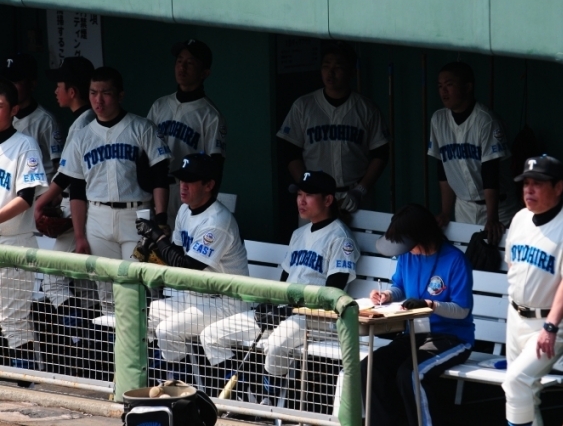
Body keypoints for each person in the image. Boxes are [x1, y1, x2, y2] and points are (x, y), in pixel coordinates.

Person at [200, 170, 360, 399]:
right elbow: (284, 281)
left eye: (308, 195)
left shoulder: (340, 237)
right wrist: (272, 304)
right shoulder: (299, 234)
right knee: (212, 334)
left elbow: (332, 292)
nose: (301, 200)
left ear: (328, 200)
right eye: (299, 194)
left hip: (317, 317)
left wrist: (290, 309)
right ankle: (248, 394)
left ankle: (271, 401)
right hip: (286, 312)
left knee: (275, 344)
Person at [33, 67, 171, 316]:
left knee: (141, 289)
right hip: (97, 218)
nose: (98, 100)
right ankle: (112, 342)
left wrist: (160, 219)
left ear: (120, 95)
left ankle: (148, 340)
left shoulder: (142, 128)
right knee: (107, 295)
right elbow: (76, 188)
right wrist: (79, 235)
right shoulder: (82, 136)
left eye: (105, 93)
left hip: (136, 216)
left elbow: (160, 175)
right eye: (93, 93)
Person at [137, 153, 250, 377]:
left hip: (227, 302)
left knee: (168, 330)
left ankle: (183, 385)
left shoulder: (217, 221)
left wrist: (158, 236)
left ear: (209, 185)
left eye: (190, 181)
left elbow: (188, 267)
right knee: (144, 315)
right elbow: (176, 254)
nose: (183, 186)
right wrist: (154, 246)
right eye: (181, 179)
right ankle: (163, 376)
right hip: (197, 297)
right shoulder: (184, 210)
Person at [362, 203, 474, 426]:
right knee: (370, 368)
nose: (406, 250)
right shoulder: (407, 256)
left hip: (452, 339)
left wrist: (431, 305)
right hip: (413, 334)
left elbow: (462, 310)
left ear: (421, 237)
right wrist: (386, 295)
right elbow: (399, 287)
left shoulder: (455, 260)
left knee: (411, 375)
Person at [502, 155, 563, 426]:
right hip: (516, 317)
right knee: (524, 392)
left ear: (558, 187)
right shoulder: (520, 218)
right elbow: (512, 265)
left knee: (516, 381)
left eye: (538, 184)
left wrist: (551, 326)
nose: (529, 190)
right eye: (526, 183)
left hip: (549, 323)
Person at [276, 42, 389, 212]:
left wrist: (361, 190)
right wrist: (306, 185)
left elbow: (381, 153)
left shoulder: (367, 109)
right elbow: (290, 152)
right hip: (315, 195)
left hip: (354, 195)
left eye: (338, 67)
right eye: (326, 66)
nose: (331, 72)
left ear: (352, 72)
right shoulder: (303, 106)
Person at [428, 62, 518, 244]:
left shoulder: (486, 120)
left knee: (501, 257)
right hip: (464, 207)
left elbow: (490, 171)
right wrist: (445, 212)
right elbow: (443, 168)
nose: (443, 91)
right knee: (468, 257)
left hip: (499, 208)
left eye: (449, 84)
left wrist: (492, 218)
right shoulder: (438, 119)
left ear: (468, 87)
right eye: (440, 86)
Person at [147, 39, 227, 226]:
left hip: (188, 191)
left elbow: (216, 166)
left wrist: (205, 206)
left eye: (190, 63)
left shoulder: (211, 115)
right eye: (179, 61)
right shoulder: (159, 106)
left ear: (204, 73)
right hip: (156, 189)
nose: (182, 67)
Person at [0, 77, 49, 378]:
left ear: (14, 109)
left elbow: (26, 198)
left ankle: (26, 383)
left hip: (14, 242)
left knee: (13, 320)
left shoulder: (25, 144)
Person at [40, 56, 98, 311]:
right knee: (86, 287)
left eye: (59, 85)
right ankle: (88, 334)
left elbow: (72, 177)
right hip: (87, 209)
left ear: (72, 92)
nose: (55, 91)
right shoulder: (87, 120)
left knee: (52, 278)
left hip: (80, 209)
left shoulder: (83, 124)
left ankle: (74, 330)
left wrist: (42, 203)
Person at [0, 53, 62, 182]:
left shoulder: (46, 121)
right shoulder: (3, 118)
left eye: (15, 81)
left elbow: (60, 168)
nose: (9, 87)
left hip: (39, 190)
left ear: (32, 84)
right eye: (6, 81)